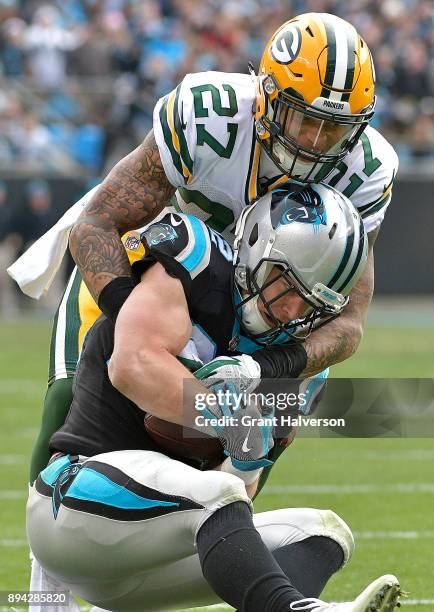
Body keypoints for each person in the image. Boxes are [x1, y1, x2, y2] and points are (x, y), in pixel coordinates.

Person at [25, 12, 399, 484]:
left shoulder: (367, 171)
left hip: (263, 304)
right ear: (266, 95)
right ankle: (44, 548)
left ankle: (217, 544)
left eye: (336, 128)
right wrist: (128, 316)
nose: (316, 141)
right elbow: (97, 223)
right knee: (70, 390)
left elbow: (347, 318)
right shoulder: (208, 114)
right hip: (155, 266)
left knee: (275, 415)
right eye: (305, 119)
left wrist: (265, 368)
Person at [27, 185, 401, 612]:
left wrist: (246, 458)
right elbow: (131, 367)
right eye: (288, 285)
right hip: (74, 511)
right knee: (215, 492)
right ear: (258, 247)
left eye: (312, 303)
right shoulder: (194, 262)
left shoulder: (299, 364)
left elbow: (237, 491)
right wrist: (225, 419)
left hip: (149, 559)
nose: (294, 311)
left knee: (323, 534)